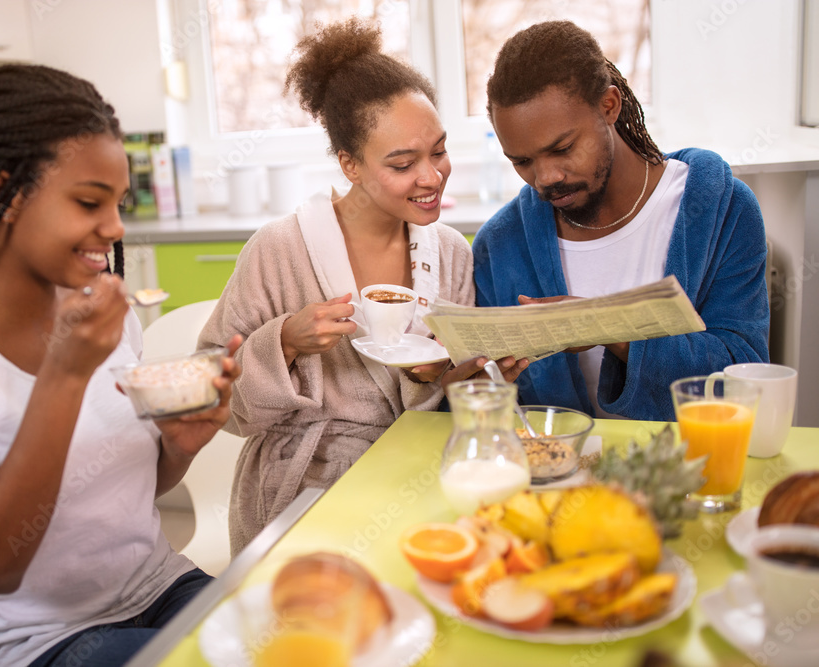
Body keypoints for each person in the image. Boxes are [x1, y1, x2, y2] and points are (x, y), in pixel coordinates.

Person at [0, 64, 241, 667]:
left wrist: (179, 448)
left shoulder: (99, 312)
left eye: (117, 203)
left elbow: (134, 495)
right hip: (33, 641)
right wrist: (63, 375)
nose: (113, 229)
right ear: (2, 194)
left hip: (158, 588)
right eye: (90, 202)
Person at [198, 18, 523, 554]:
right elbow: (213, 390)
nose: (432, 176)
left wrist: (458, 374)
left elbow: (462, 396)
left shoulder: (449, 251)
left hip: (422, 471)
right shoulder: (279, 250)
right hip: (307, 484)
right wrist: (283, 341)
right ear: (349, 163)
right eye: (403, 163)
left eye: (438, 151)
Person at [472, 20, 769, 421]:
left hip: (688, 467)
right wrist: (467, 382)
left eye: (562, 148)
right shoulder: (501, 244)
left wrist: (607, 330)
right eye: (521, 162)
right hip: (555, 474)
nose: (545, 178)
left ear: (609, 106)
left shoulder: (721, 211)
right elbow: (502, 411)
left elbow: (745, 378)